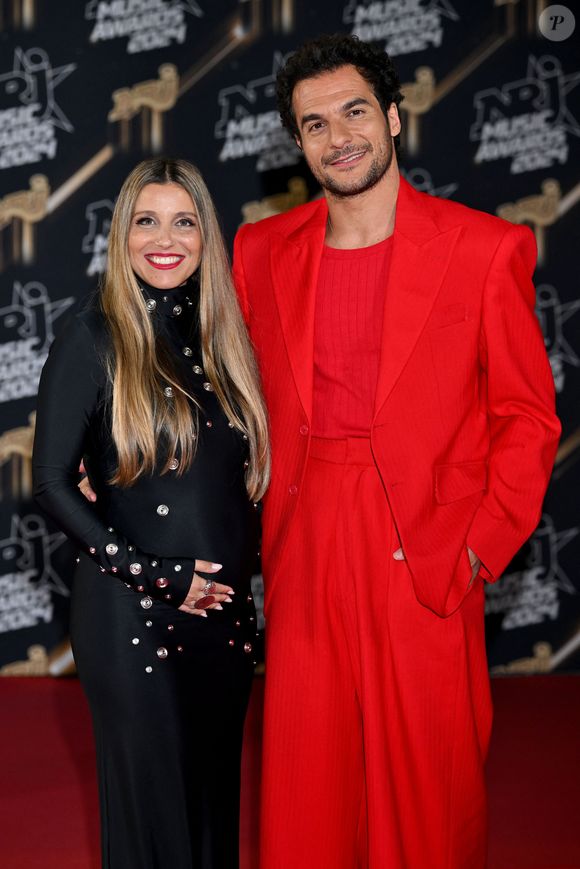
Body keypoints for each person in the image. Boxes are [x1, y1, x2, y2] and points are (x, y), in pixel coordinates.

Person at [232, 34, 561, 869]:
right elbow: (220, 397)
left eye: (353, 112)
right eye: (314, 124)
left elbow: (527, 418)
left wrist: (479, 548)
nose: (338, 136)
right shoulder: (260, 253)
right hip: (304, 543)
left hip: (425, 549)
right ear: (297, 142)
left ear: (391, 115)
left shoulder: (485, 249)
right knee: (307, 787)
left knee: (424, 791)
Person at [32, 157, 269, 869]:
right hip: (132, 619)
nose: (164, 239)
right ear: (122, 234)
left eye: (184, 221)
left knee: (209, 828)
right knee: (153, 834)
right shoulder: (92, 336)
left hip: (222, 626)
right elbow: (50, 483)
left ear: (206, 236)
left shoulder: (226, 344)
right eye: (146, 220)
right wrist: (159, 576)